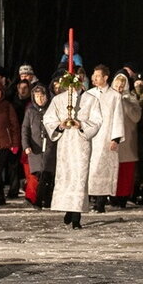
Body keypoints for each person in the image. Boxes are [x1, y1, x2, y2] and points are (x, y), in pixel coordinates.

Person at [43, 74, 102, 229]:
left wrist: (81, 124)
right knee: (67, 178)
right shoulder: (59, 99)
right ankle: (69, 209)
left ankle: (76, 216)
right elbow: (48, 118)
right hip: (65, 145)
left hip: (81, 144)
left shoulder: (91, 99)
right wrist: (60, 125)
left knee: (79, 179)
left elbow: (97, 121)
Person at [83, 65, 126, 213]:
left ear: (106, 78)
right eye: (94, 76)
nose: (94, 78)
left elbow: (118, 117)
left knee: (103, 170)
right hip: (90, 137)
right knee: (89, 169)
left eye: (98, 76)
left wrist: (116, 138)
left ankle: (100, 203)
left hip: (106, 137)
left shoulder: (115, 96)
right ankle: (87, 201)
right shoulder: (88, 94)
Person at [22, 83, 55, 208]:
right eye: (37, 97)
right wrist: (26, 145)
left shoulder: (51, 109)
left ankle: (46, 200)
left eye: (42, 96)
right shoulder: (30, 111)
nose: (40, 99)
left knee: (47, 174)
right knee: (37, 174)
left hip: (49, 147)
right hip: (35, 148)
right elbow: (25, 129)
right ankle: (37, 199)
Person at [111, 73, 141, 208]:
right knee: (113, 171)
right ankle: (111, 196)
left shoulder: (132, 99)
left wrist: (124, 102)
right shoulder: (109, 98)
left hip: (127, 143)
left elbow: (136, 117)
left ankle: (123, 197)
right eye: (117, 86)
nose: (119, 88)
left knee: (125, 173)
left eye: (122, 86)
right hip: (113, 141)